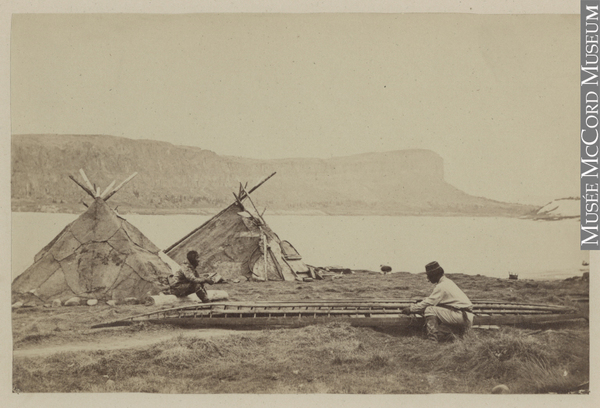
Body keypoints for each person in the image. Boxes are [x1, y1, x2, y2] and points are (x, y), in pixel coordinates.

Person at [401, 261, 473, 342]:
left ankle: (432, 339)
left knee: (430, 309)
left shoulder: (441, 286)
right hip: (465, 316)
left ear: (435, 275)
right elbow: (438, 300)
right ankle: (455, 335)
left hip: (460, 316)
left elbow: (429, 303)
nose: (428, 279)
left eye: (429, 276)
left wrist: (411, 309)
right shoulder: (448, 282)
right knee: (441, 333)